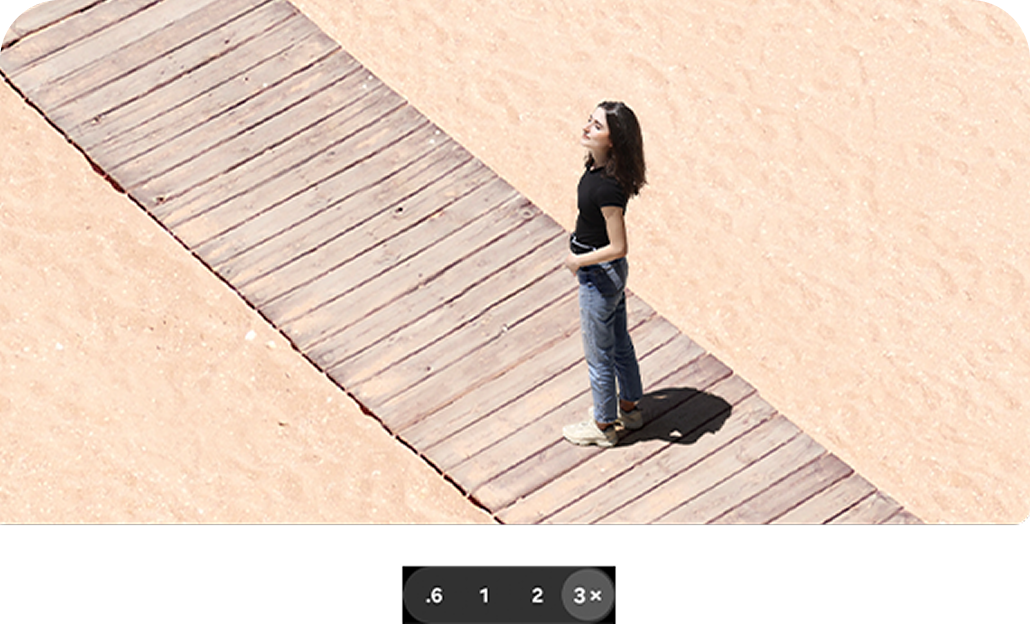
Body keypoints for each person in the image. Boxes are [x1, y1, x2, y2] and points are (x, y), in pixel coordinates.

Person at [562, 101, 647, 448]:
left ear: (613, 140)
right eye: (590, 120)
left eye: (597, 126)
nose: (587, 127)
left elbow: (618, 246)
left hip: (599, 277)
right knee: (619, 341)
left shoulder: (607, 188)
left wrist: (578, 261)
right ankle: (629, 408)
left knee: (599, 353)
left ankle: (603, 425)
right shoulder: (597, 170)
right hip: (607, 276)